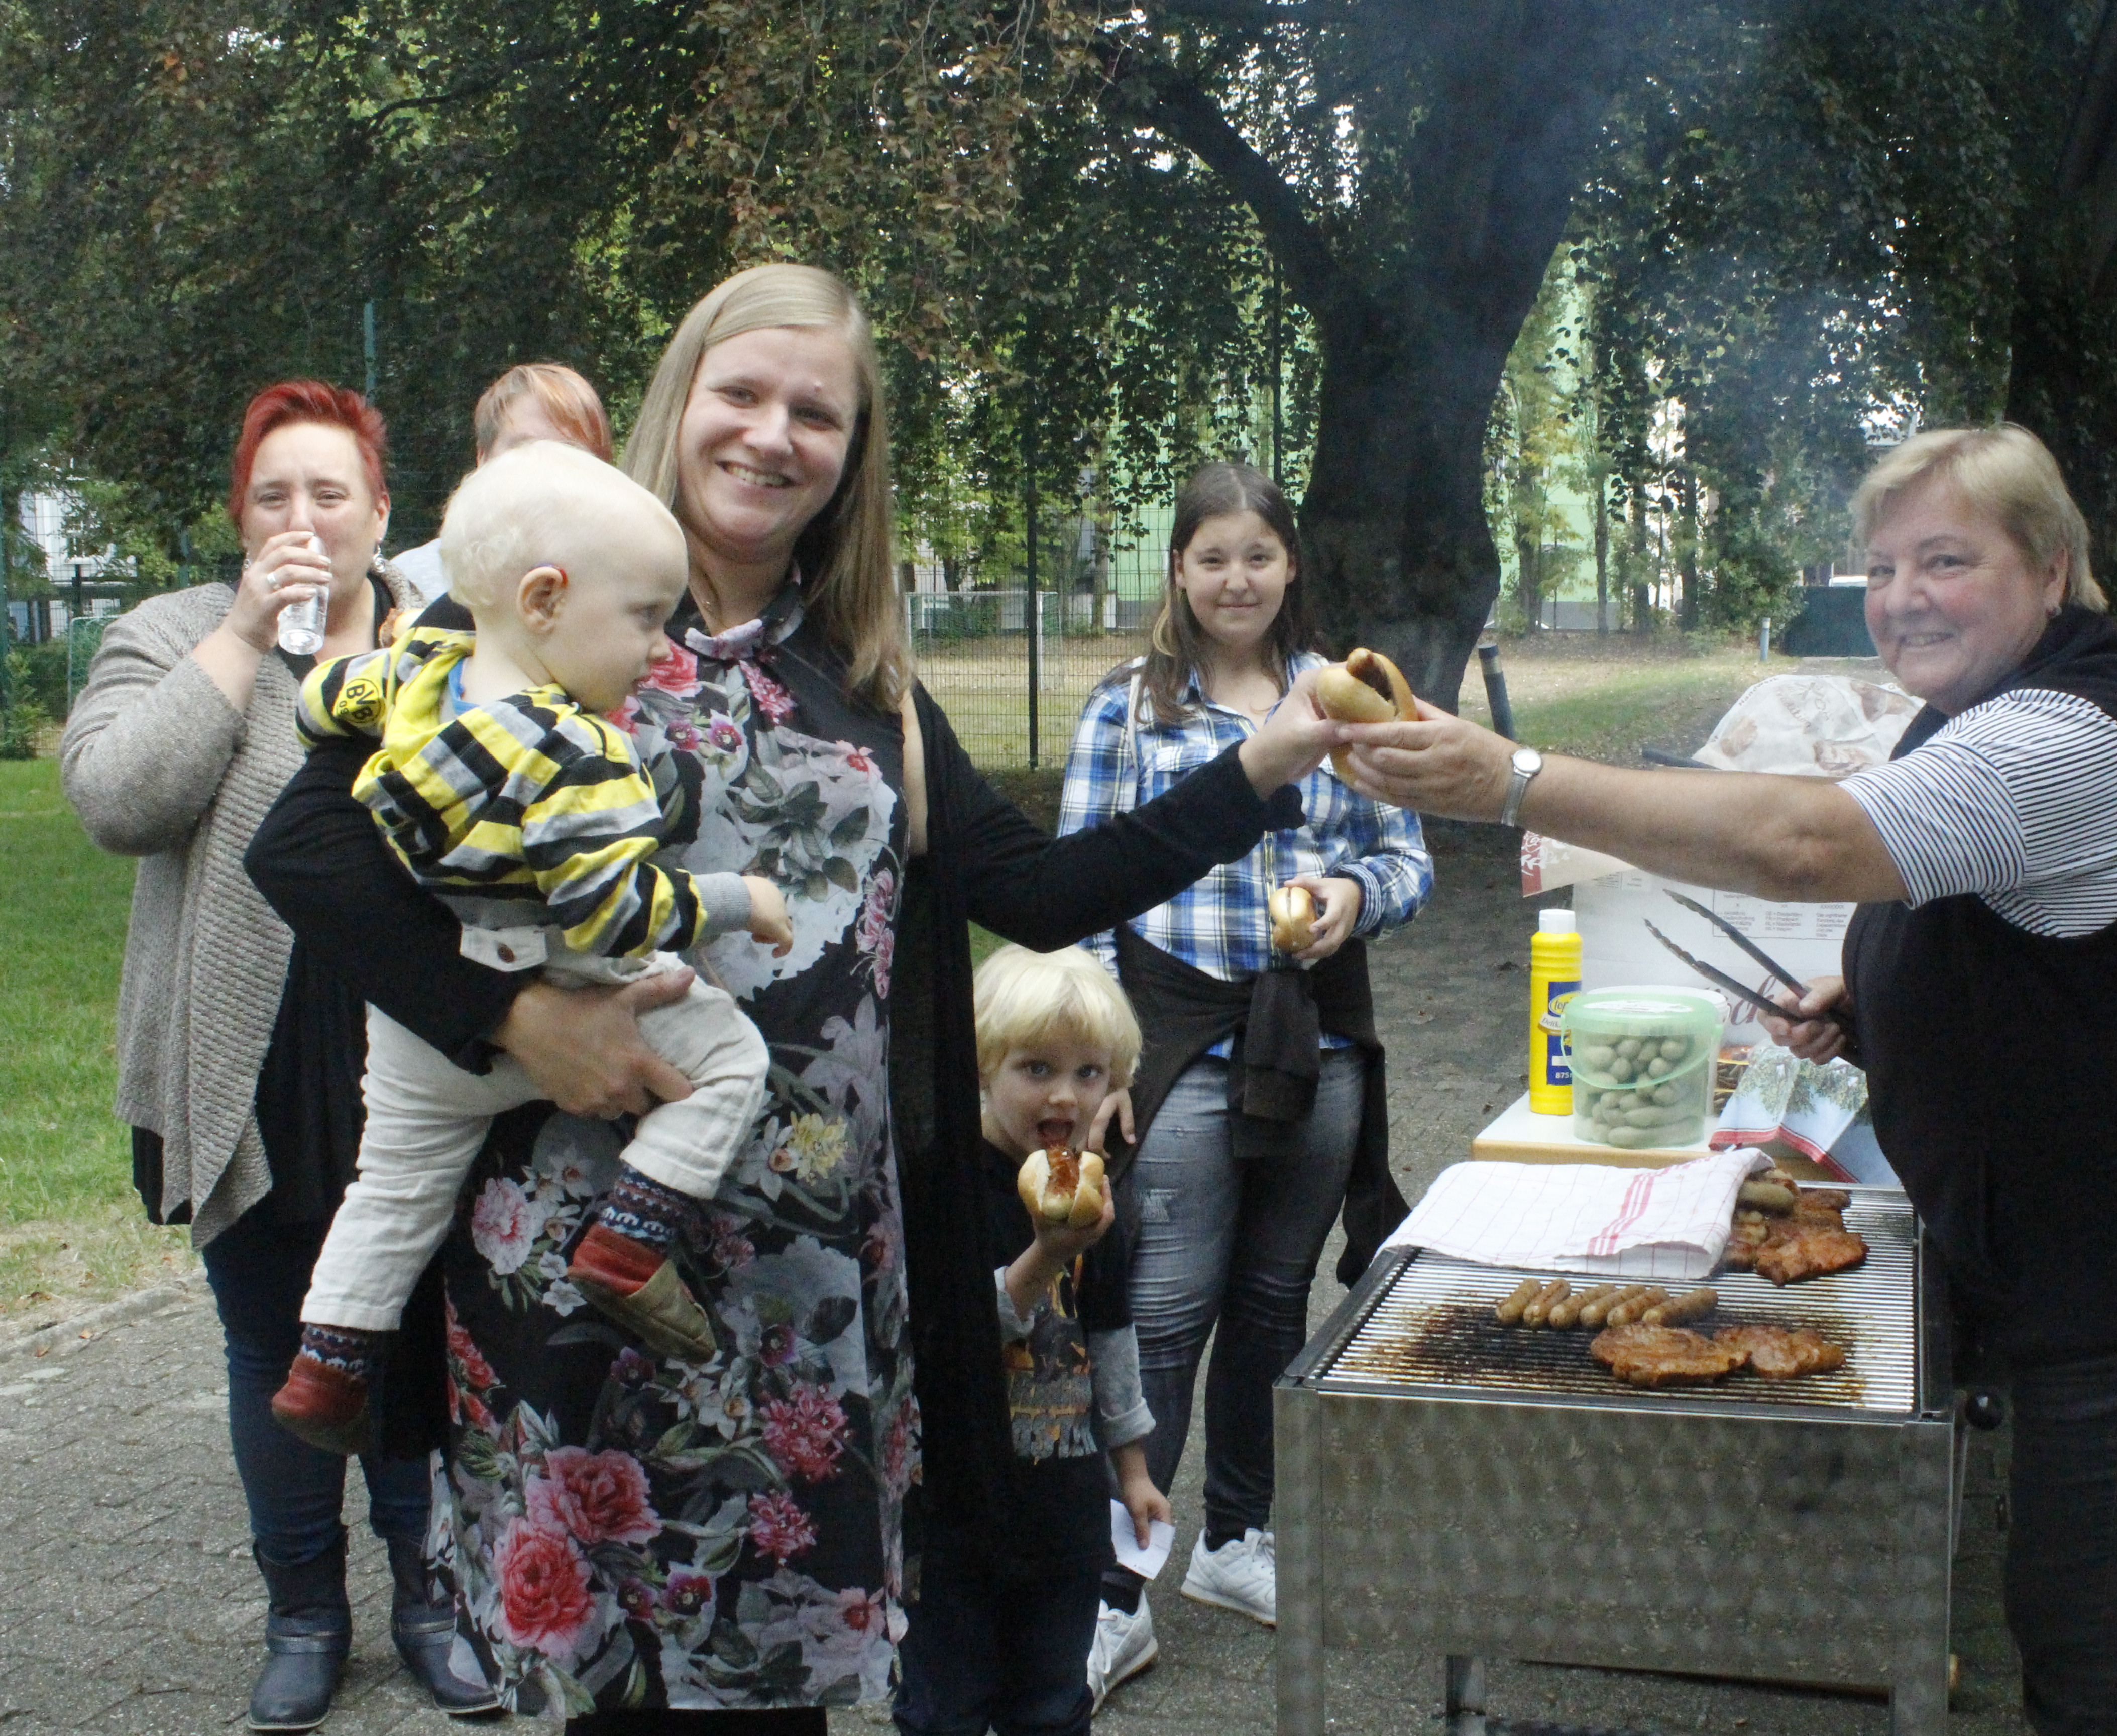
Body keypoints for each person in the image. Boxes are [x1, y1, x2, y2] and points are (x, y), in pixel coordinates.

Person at [244, 264, 1339, 1732]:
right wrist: (511, 1020)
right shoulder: (538, 608)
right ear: (679, 400)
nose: (773, 435)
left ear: (852, 454)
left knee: (776, 1701)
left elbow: (1042, 892)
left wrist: (1269, 759)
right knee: (616, 1698)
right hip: (580, 1272)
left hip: (807, 1306)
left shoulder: (865, 680)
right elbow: (306, 849)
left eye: (815, 413)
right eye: (742, 393)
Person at [1333, 423, 2117, 1736]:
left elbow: (1806, 844)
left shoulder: (2064, 738)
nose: (1905, 596)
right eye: (1884, 566)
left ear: (2051, 567)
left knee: (2092, 1640)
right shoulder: (1991, 705)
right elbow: (2013, 918)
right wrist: (1872, 1003)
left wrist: (1510, 780)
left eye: (1947, 560)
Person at [60, 380, 495, 1731]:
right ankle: (304, 1611)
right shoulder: (174, 632)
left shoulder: (459, 640)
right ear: (240, 515)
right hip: (245, 1065)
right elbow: (116, 801)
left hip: (424, 1053)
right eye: (273, 494)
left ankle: (435, 1602)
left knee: (418, 1334)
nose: (302, 517)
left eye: (329, 492)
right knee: (274, 1345)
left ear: (381, 510)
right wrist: (246, 634)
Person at [268, 444, 796, 1456]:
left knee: (393, 1189)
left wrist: (335, 702)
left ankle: (327, 1366)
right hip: (559, 975)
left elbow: (319, 705)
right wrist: (743, 900)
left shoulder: (418, 669)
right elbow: (613, 914)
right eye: (643, 618)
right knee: (733, 1061)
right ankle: (630, 1240)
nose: (658, 648)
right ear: (545, 599)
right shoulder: (581, 750)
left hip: (428, 1026)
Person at [1057, 460, 1430, 1685]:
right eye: (1211, 557)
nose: (1235, 579)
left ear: (1290, 566)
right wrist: (1094, 1062)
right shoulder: (1129, 710)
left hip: (1313, 1037)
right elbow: (1077, 889)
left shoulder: (1345, 701)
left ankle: (1234, 1537)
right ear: (1178, 569)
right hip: (1173, 1042)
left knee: (1274, 1303)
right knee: (1161, 1315)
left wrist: (1354, 894)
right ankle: (1114, 1588)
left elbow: (1409, 859)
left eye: (1257, 556)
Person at [893, 943, 1169, 1736]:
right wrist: (1046, 1255)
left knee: (1053, 1705)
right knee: (945, 1711)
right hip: (951, 1515)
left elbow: (1110, 1336)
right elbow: (946, 1338)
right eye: (1036, 1069)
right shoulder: (943, 1184)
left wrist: (1134, 1470)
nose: (1065, 1095)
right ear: (983, 1066)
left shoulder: (1089, 1187)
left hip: (1062, 1514)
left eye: (1090, 1073)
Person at [388, 362, 617, 599]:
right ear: (483, 459)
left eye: (568, 453)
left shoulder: (624, 582)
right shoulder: (410, 583)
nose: (544, 466)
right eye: (525, 448)